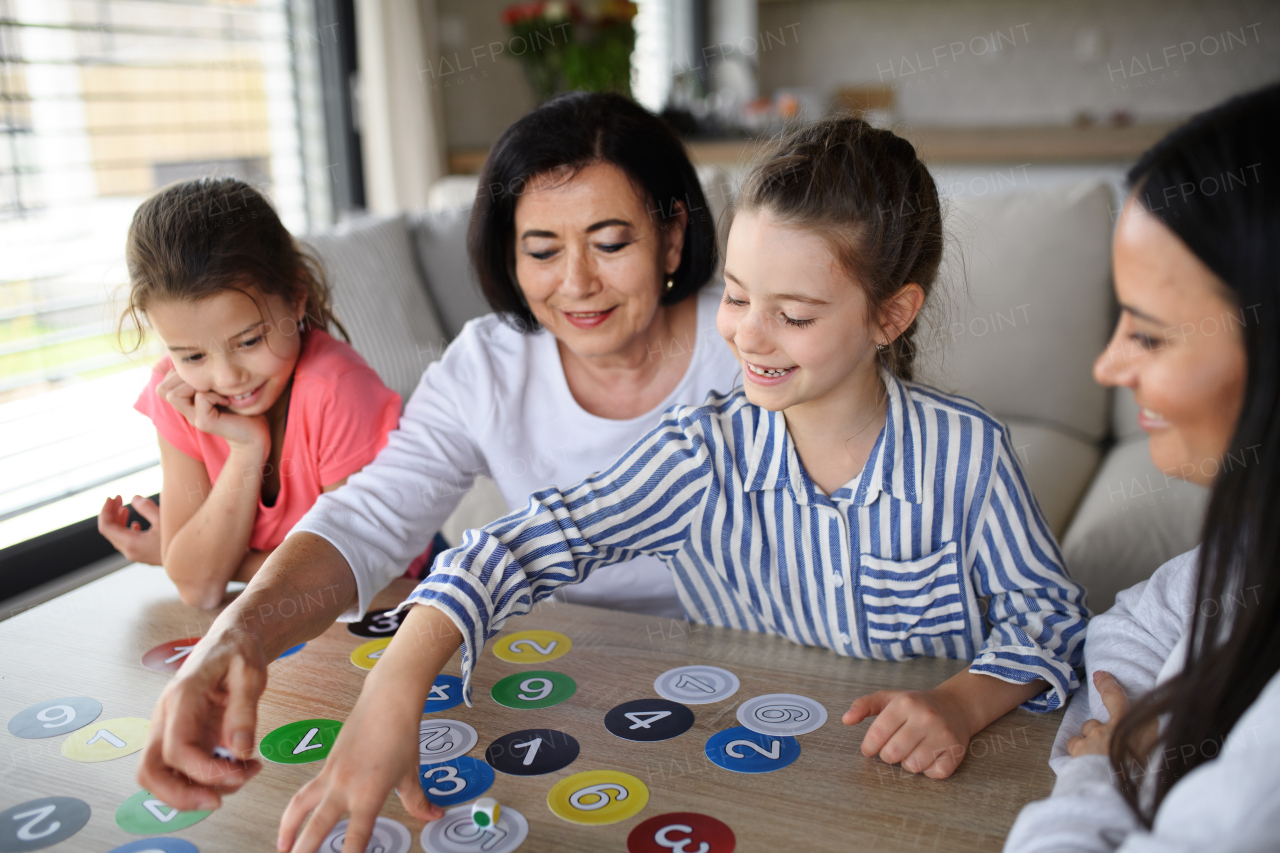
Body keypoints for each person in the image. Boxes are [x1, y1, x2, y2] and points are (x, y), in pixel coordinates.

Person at [276, 116, 1089, 853]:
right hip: (748, 774)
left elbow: (1051, 616)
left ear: (891, 315)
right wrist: (395, 685)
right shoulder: (702, 452)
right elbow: (519, 544)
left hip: (927, 792)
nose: (749, 334)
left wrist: (963, 698)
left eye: (796, 315)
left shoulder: (969, 453)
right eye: (735, 297)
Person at [135, 92, 740, 811]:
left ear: (672, 236)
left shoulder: (750, 343)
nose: (576, 282)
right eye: (542, 251)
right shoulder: (488, 365)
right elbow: (367, 518)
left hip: (741, 657)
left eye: (611, 243)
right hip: (570, 660)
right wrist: (235, 638)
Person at [1004, 83, 1280, 851]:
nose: (1106, 364)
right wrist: (1144, 740)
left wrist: (1108, 767)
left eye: (1150, 335)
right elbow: (1138, 620)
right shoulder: (1254, 548)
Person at [98, 178, 404, 609]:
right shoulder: (176, 393)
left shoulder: (337, 390)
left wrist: (211, 562)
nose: (226, 378)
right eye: (191, 355)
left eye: (248, 342)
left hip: (386, 608)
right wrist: (247, 448)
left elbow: (353, 577)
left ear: (296, 298)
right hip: (278, 613)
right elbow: (199, 590)